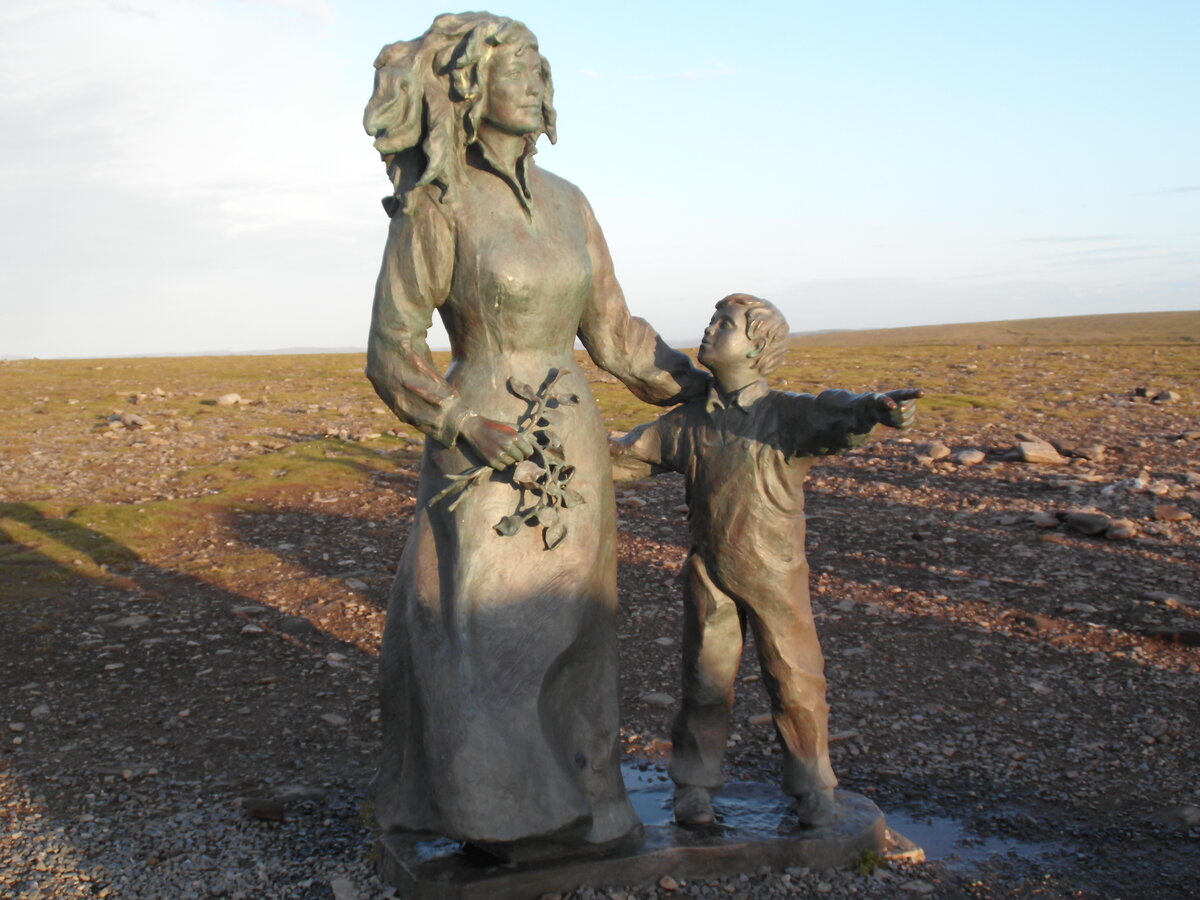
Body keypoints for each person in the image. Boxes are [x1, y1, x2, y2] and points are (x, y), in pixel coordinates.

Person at [362, 13, 710, 858]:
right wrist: (456, 420)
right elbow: (392, 347)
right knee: (482, 634)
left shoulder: (570, 203)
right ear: (472, 88)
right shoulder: (439, 203)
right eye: (518, 68)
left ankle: (589, 803)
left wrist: (710, 388)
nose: (538, 81)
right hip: (484, 447)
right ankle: (494, 816)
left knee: (579, 626)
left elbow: (618, 334)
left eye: (542, 66)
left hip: (576, 449)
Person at [610, 294, 920, 828]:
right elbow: (625, 458)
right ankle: (694, 785)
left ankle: (814, 786)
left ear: (759, 347)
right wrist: (561, 447)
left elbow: (837, 413)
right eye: (712, 320)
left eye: (723, 324)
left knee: (795, 681)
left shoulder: (786, 415)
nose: (708, 330)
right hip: (711, 573)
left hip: (776, 576)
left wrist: (874, 410)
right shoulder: (687, 423)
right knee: (704, 683)